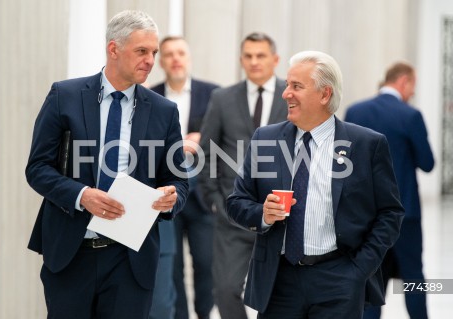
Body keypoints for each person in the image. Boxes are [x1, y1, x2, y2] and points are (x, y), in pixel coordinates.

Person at [25, 10, 189, 319]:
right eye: (142, 51)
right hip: (71, 255)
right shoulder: (65, 96)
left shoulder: (164, 111)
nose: (151, 60)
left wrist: (172, 196)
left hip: (130, 261)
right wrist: (82, 195)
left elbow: (179, 180)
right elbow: (37, 169)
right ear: (113, 49)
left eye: (153, 52)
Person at [226, 50, 405, 318]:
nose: (286, 93)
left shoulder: (366, 144)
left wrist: (358, 270)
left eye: (296, 86)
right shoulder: (265, 139)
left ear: (325, 94)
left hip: (338, 280)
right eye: (287, 85)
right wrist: (262, 214)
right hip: (278, 282)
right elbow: (236, 202)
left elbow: (390, 213)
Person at [199, 32, 287, 319]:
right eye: (248, 56)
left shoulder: (292, 95)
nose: (254, 62)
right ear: (241, 60)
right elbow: (207, 150)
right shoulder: (223, 98)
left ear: (274, 59)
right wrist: (214, 197)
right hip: (233, 214)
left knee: (279, 294)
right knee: (225, 290)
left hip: (282, 216)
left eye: (260, 55)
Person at [345, 62, 435, 319]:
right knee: (413, 278)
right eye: (412, 88)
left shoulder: (355, 112)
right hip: (404, 213)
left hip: (366, 213)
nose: (412, 94)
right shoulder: (410, 116)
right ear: (404, 81)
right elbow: (427, 163)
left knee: (372, 278)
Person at [149, 36, 219, 319]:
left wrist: (203, 139)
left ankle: (204, 312)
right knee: (171, 263)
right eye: (168, 54)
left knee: (205, 261)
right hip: (166, 192)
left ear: (188, 57)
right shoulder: (149, 96)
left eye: (180, 53)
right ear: (161, 61)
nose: (175, 59)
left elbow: (230, 141)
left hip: (203, 193)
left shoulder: (214, 94)